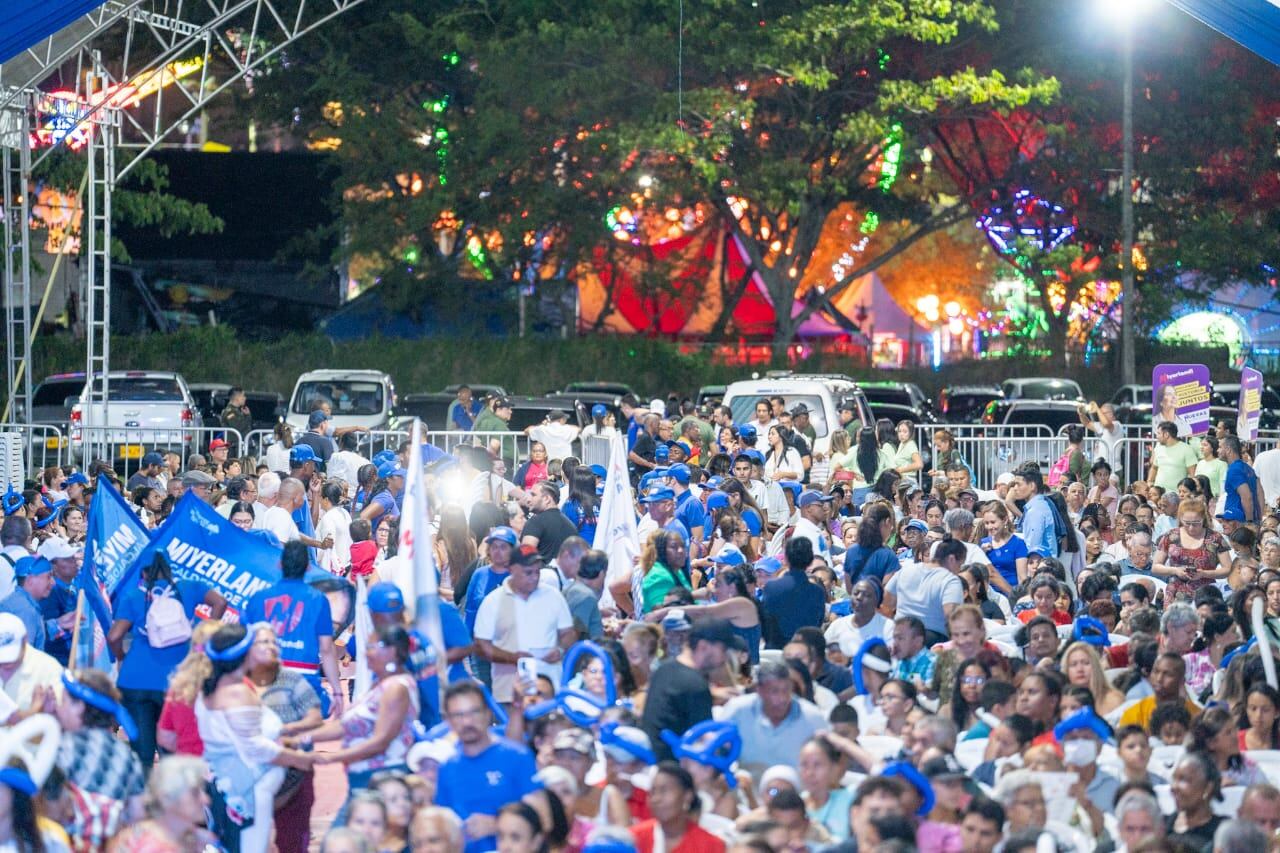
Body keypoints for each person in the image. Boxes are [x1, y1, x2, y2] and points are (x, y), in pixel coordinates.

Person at [197, 623, 317, 853]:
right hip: (244, 791)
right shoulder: (237, 692)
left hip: (226, 783)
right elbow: (254, 748)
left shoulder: (211, 687)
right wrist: (298, 758)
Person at [435, 681, 541, 853]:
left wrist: (497, 826)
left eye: (474, 712)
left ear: (488, 713)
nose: (467, 721)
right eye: (458, 715)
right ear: (448, 721)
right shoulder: (447, 768)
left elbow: (542, 818)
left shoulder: (517, 757)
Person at [243, 540, 344, 717]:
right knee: (319, 713)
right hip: (305, 684)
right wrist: (337, 691)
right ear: (308, 567)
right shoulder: (319, 599)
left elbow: (244, 644)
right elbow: (326, 649)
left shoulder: (257, 598)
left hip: (264, 682)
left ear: (280, 564)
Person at [474, 544, 575, 706]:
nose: (534, 577)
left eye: (537, 572)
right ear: (512, 569)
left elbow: (568, 633)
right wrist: (512, 658)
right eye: (528, 573)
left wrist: (561, 650)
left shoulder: (553, 596)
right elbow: (480, 646)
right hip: (507, 694)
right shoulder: (493, 601)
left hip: (550, 693)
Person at [641, 619, 733, 762]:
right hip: (675, 767)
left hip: (652, 761)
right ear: (703, 646)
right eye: (723, 649)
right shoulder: (695, 684)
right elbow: (704, 739)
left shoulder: (663, 669)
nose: (725, 657)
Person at [719, 660, 826, 780]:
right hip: (746, 786)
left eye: (786, 690)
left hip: (797, 789)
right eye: (775, 691)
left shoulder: (813, 717)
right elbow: (716, 750)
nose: (782, 698)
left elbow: (829, 761)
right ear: (759, 690)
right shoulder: (737, 710)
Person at [106, 755, 215, 853]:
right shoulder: (148, 847)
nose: (206, 799)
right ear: (167, 798)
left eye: (202, 791)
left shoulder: (186, 837)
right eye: (194, 793)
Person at [883, 537, 966, 646]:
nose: (959, 570)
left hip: (898, 634)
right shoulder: (950, 580)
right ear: (951, 559)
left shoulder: (906, 570)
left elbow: (887, 600)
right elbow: (951, 615)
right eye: (960, 565)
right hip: (932, 641)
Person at [631, 762, 726, 853]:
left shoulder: (711, 846)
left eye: (664, 791)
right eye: (653, 792)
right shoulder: (633, 838)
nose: (656, 799)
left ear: (687, 796)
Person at [760, 537, 825, 649]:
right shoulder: (817, 592)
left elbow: (765, 622)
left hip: (775, 649)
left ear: (786, 558)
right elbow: (818, 623)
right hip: (806, 649)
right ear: (810, 560)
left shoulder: (772, 587)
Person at [1166, 751, 1225, 850]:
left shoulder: (1222, 833)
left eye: (1183, 780)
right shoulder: (1162, 825)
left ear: (1207, 788)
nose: (1174, 787)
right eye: (1174, 779)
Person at [521, 482, 578, 564]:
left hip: (540, 571)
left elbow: (525, 557)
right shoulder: (571, 526)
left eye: (533, 495)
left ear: (547, 499)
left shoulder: (536, 522)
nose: (528, 500)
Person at [1149, 421, 1199, 492]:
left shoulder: (1186, 449)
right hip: (1158, 493)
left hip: (1177, 494)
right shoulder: (1158, 448)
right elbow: (1154, 467)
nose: (1157, 436)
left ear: (1166, 434)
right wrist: (1149, 481)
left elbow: (1192, 474)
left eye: (1159, 433)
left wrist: (1186, 492)